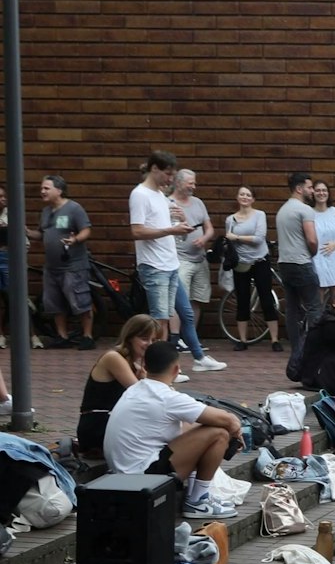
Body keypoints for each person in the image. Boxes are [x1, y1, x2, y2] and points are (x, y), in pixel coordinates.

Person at [103, 341, 242, 518]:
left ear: (145, 366)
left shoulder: (135, 389)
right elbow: (227, 419)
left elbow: (189, 426)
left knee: (201, 427)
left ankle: (198, 495)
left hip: (124, 474)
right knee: (219, 433)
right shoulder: (166, 397)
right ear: (176, 369)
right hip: (144, 478)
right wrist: (236, 432)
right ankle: (197, 501)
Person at [128, 150, 222, 371]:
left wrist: (178, 221)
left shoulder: (160, 195)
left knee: (184, 312)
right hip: (154, 265)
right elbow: (137, 231)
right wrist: (172, 228)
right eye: (168, 174)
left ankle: (197, 359)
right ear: (154, 169)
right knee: (160, 320)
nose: (170, 179)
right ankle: (157, 368)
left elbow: (165, 227)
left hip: (170, 264)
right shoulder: (140, 194)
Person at [75, 315, 159, 455]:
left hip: (114, 423)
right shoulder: (114, 358)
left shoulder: (138, 362)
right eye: (144, 339)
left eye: (154, 340)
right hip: (98, 427)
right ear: (130, 337)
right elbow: (140, 393)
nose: (149, 344)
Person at [274, 170, 323, 378]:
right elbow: (312, 240)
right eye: (310, 187)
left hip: (284, 264)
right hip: (302, 262)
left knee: (293, 310)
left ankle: (296, 352)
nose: (312, 191)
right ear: (299, 188)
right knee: (315, 309)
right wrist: (313, 251)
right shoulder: (305, 210)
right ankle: (310, 353)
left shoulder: (282, 210)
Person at [36, 175, 93, 349]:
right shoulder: (46, 212)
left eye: (46, 188)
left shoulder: (74, 208)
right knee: (55, 303)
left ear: (59, 190)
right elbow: (42, 234)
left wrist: (75, 240)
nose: (42, 191)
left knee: (80, 301)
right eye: (42, 188)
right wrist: (26, 232)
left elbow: (86, 231)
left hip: (73, 266)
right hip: (52, 267)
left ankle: (87, 337)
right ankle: (62, 337)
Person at [223, 186, 281, 350]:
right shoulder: (230, 219)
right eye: (242, 194)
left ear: (253, 199)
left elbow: (259, 238)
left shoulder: (259, 215)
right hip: (241, 263)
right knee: (242, 299)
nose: (245, 197)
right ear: (237, 197)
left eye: (248, 195)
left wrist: (238, 237)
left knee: (266, 299)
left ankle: (274, 340)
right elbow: (229, 240)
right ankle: (242, 340)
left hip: (260, 261)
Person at [168, 169, 214, 352]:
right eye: (190, 183)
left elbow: (209, 228)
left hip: (200, 259)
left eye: (194, 183)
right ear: (179, 183)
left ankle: (190, 339)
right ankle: (175, 337)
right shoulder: (169, 204)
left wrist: (204, 239)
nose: (194, 187)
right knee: (179, 300)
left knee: (197, 299)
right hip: (181, 260)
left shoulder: (198, 203)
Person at [309, 179, 335, 307]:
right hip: (317, 258)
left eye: (324, 190)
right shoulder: (309, 213)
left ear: (328, 193)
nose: (321, 193)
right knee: (318, 300)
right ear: (313, 193)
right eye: (318, 190)